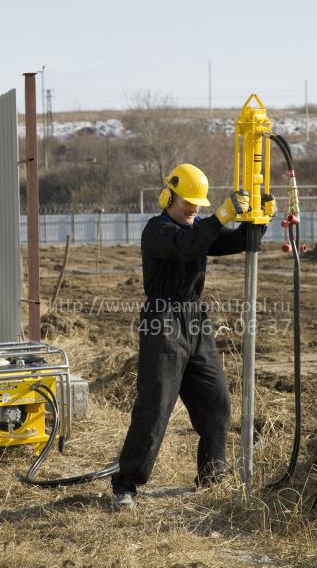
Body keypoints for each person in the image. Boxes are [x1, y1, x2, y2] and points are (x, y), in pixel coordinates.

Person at [111, 163, 276, 509]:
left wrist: (260, 220)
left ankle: (212, 477)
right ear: (168, 197)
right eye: (188, 201)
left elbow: (237, 241)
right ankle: (126, 484)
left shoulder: (197, 227)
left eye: (198, 203)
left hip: (195, 319)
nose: (193, 208)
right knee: (156, 405)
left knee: (217, 402)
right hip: (163, 321)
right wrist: (220, 216)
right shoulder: (157, 230)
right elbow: (187, 247)